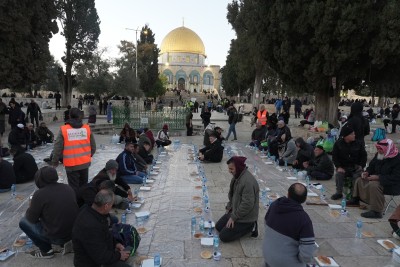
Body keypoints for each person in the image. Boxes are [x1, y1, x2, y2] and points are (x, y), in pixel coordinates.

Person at [19, 166, 78, 258]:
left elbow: (31, 219)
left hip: (57, 237)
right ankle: (65, 242)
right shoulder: (68, 188)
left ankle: (46, 251)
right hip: (73, 233)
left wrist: (32, 206)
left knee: (23, 222)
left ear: (39, 178)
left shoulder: (39, 194)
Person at [263, 183, 317, 267]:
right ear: (304, 199)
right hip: (285, 263)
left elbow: (266, 224)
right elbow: (306, 256)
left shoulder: (274, 205)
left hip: (267, 257)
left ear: (288, 194)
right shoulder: (304, 219)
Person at [72, 190, 131, 267]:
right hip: (90, 262)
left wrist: (116, 244)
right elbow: (101, 257)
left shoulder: (93, 211)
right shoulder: (90, 225)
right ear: (106, 206)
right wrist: (119, 255)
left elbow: (105, 233)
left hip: (98, 253)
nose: (111, 207)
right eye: (111, 205)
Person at [347, 139, 400, 218]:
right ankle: (356, 200)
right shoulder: (378, 155)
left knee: (374, 185)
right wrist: (367, 172)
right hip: (379, 179)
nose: (379, 151)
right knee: (359, 179)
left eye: (381, 149)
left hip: (393, 185)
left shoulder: (397, 159)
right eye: (378, 148)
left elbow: (396, 177)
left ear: (388, 149)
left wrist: (378, 177)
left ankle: (376, 211)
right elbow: (371, 166)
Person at [52, 107, 96, 196]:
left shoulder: (64, 129)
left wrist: (55, 161)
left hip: (71, 165)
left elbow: (57, 147)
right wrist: (87, 156)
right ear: (80, 116)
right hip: (84, 164)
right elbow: (93, 147)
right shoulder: (86, 128)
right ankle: (83, 205)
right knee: (84, 186)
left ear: (69, 116)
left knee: (73, 188)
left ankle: (75, 206)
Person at [216, 156, 259, 242]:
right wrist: (229, 208)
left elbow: (247, 204)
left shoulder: (247, 182)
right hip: (236, 210)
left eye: (231, 169)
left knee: (223, 236)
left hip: (246, 217)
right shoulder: (237, 177)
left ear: (238, 167)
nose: (229, 171)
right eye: (229, 169)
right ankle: (236, 221)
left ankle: (250, 226)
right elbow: (232, 196)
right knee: (218, 226)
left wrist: (233, 217)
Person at [331, 125, 367, 200]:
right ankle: (339, 192)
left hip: (356, 167)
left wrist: (361, 166)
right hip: (344, 167)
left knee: (356, 177)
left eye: (354, 134)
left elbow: (364, 156)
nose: (354, 135)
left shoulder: (359, 143)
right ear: (346, 136)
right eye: (352, 134)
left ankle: (355, 196)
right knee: (339, 174)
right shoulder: (338, 144)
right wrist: (338, 167)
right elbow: (335, 157)